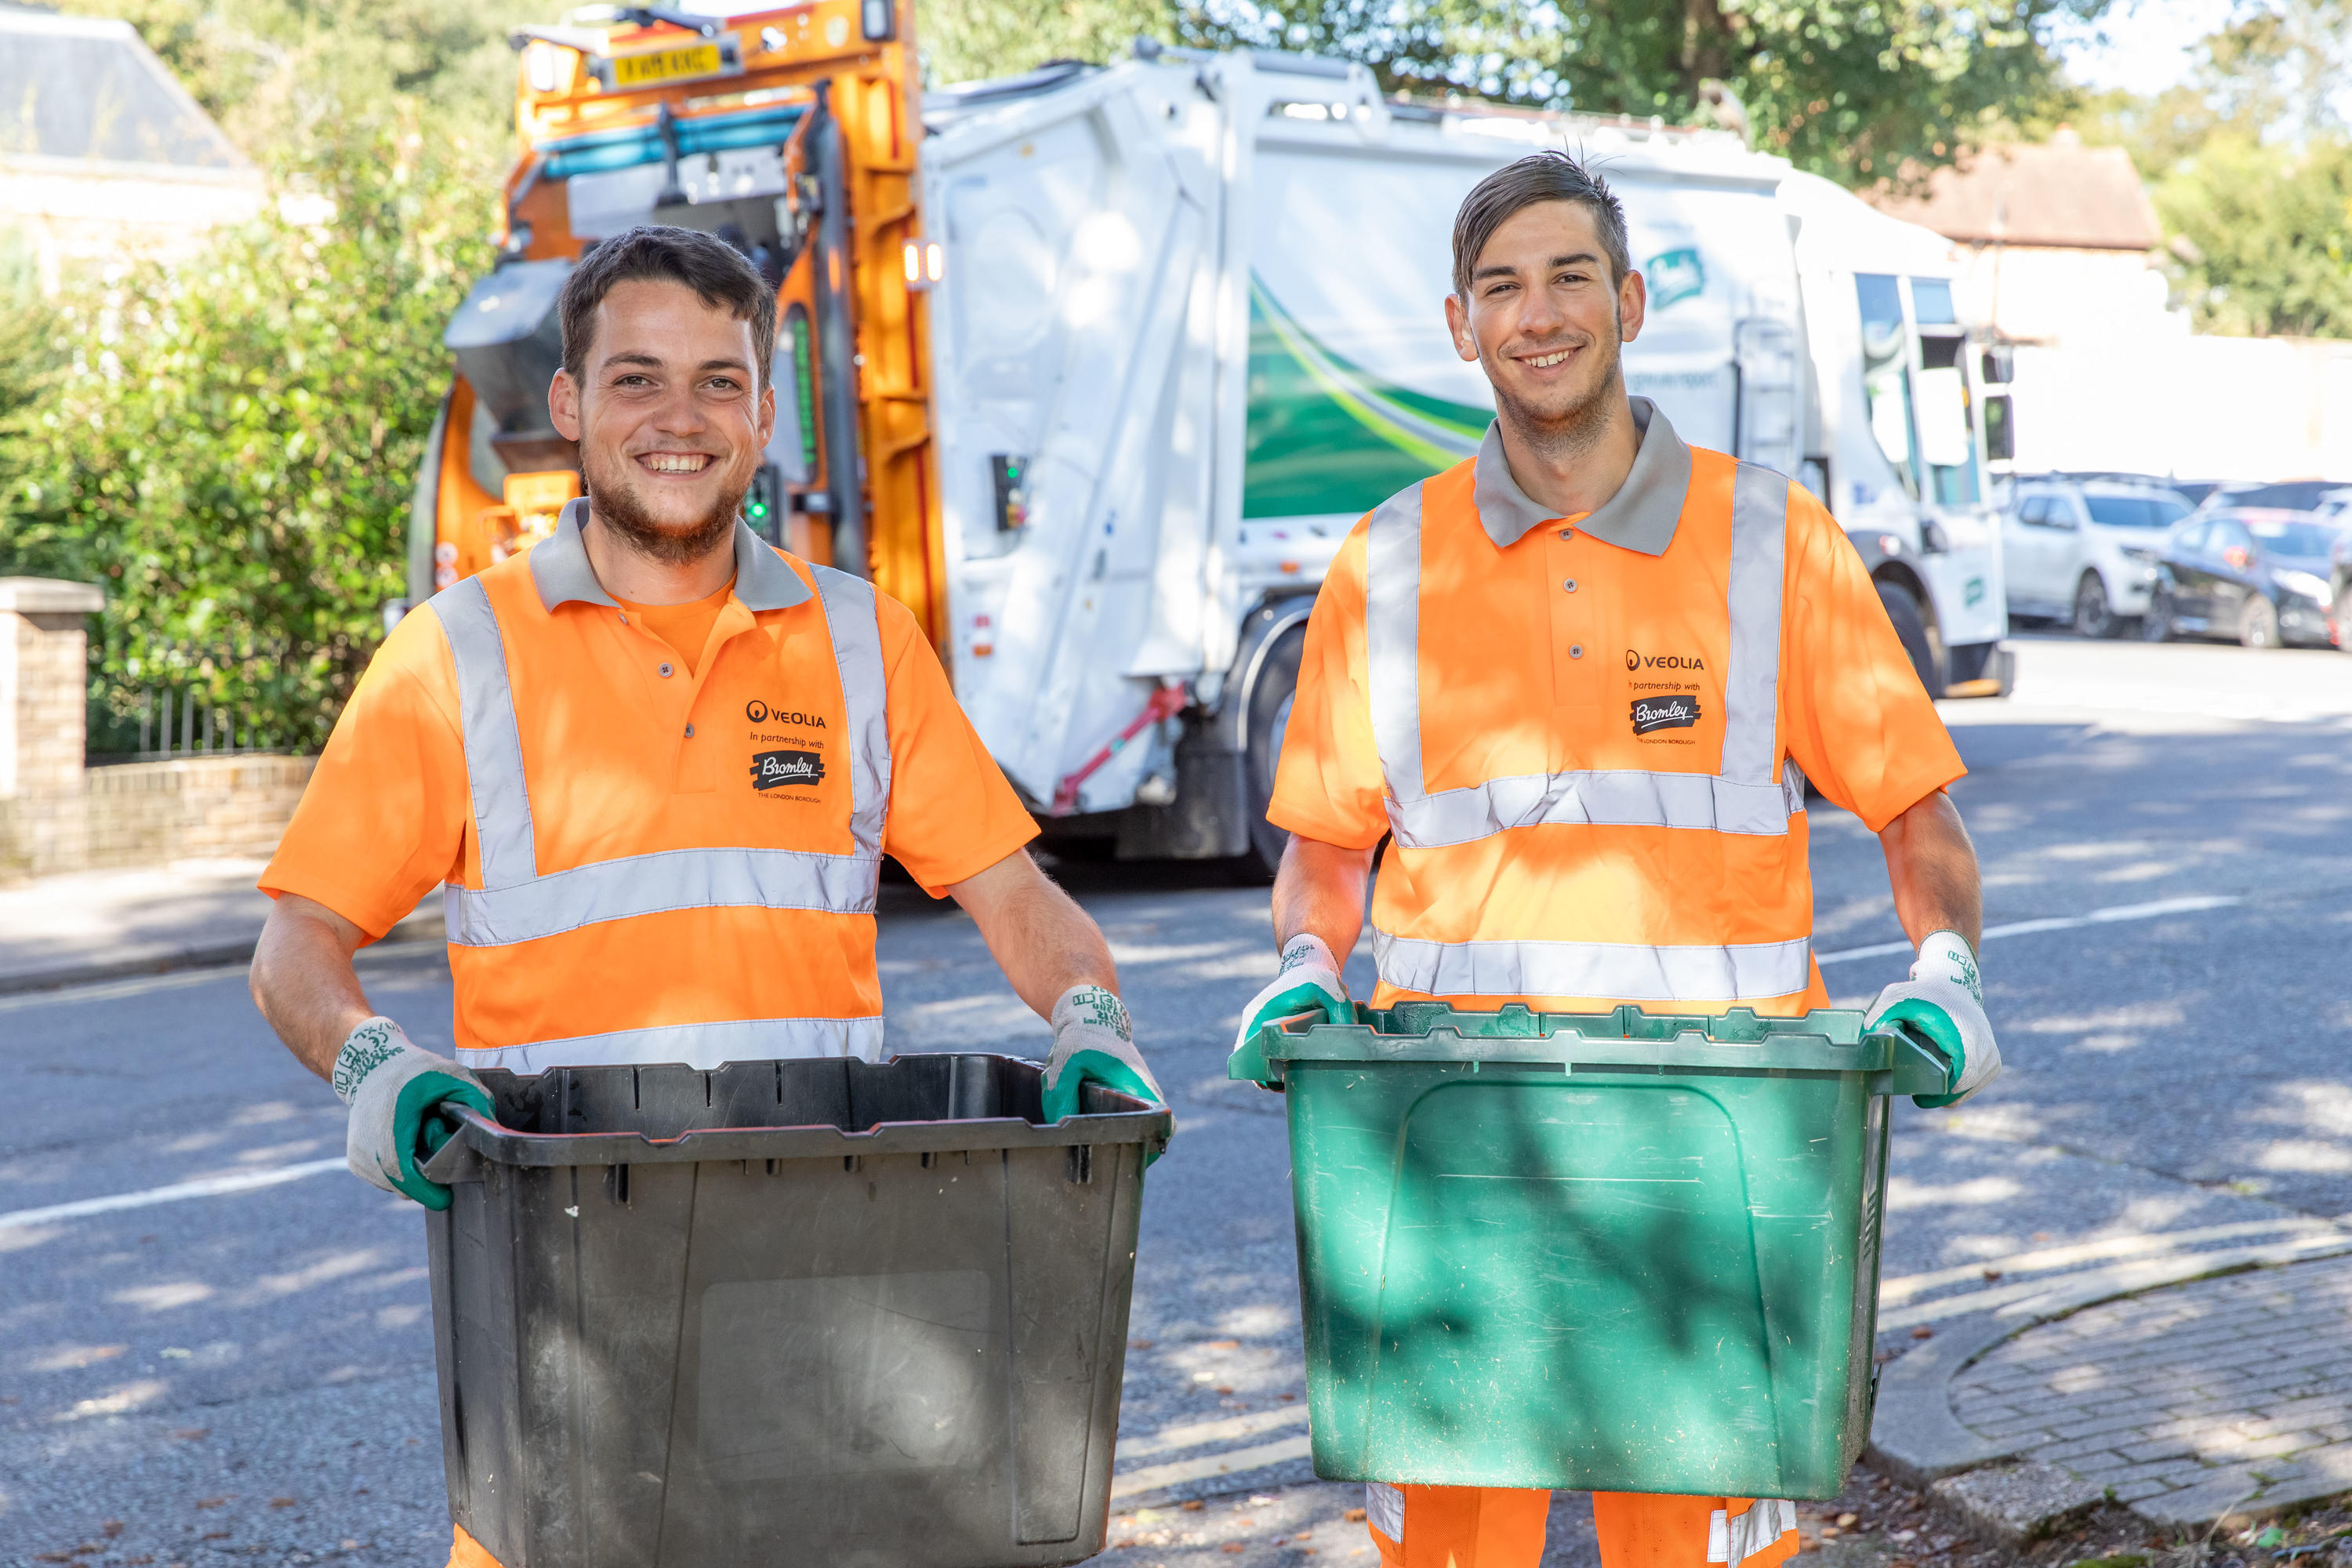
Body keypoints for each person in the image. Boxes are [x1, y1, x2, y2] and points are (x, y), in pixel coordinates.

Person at [247, 225, 1164, 1568]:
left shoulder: (860, 637)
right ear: (567, 406)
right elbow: (297, 945)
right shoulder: (455, 657)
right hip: (562, 1280)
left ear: (766, 414)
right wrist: (374, 1064)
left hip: (826, 1263)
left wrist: (1090, 1017)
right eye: (635, 379)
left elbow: (1016, 898)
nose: (680, 420)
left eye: (718, 382)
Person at [1230, 152, 1998, 1568]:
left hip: (1716, 1157)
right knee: (1457, 1550)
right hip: (1451, 1149)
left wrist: (1945, 966)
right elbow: (1326, 849)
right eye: (1501, 286)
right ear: (1460, 326)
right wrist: (1301, 963)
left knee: (1700, 1551)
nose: (1540, 313)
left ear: (1631, 301)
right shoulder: (1386, 565)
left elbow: (1913, 811)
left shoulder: (1774, 542)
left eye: (1570, 275)